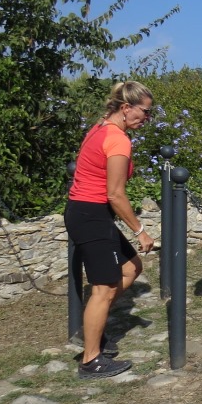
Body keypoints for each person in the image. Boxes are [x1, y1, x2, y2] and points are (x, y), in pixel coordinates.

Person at [65, 81, 156, 379]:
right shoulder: (118, 140)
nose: (147, 118)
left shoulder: (100, 128)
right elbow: (115, 194)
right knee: (103, 289)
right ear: (126, 107)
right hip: (90, 215)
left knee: (131, 268)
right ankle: (91, 361)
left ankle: (92, 327)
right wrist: (140, 230)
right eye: (145, 112)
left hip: (87, 213)